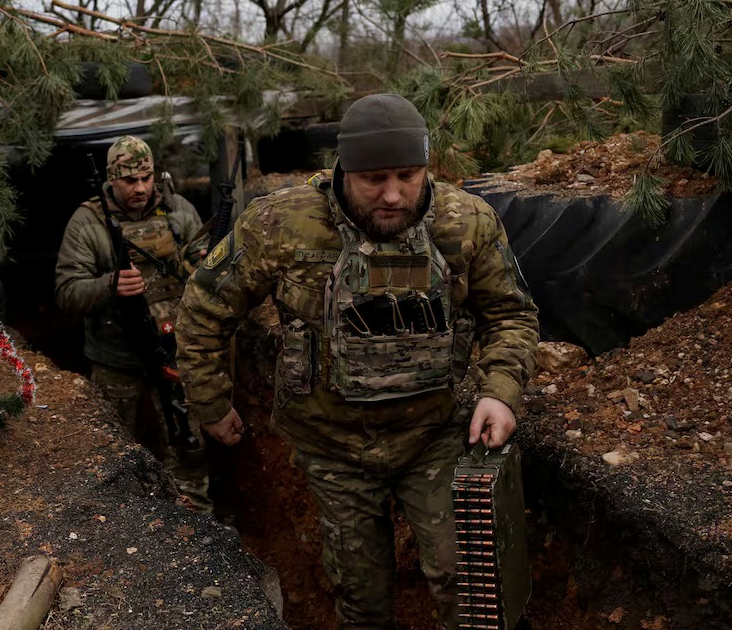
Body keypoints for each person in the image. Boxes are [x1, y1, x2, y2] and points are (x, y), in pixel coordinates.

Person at [175, 94, 539, 629]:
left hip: (432, 435)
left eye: (407, 175)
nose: (392, 195)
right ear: (343, 169)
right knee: (361, 598)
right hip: (332, 448)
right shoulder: (280, 224)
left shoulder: (468, 224)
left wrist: (499, 389)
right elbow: (204, 308)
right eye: (374, 179)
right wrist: (210, 401)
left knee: (467, 582)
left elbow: (512, 315)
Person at [55, 135, 212, 511]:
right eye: (130, 180)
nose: (141, 187)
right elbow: (66, 292)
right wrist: (110, 285)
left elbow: (203, 271)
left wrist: (203, 263)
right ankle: (124, 523)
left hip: (174, 353)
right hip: (117, 358)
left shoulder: (179, 211)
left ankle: (198, 521)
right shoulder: (88, 223)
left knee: (189, 444)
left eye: (146, 177)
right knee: (115, 449)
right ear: (111, 179)